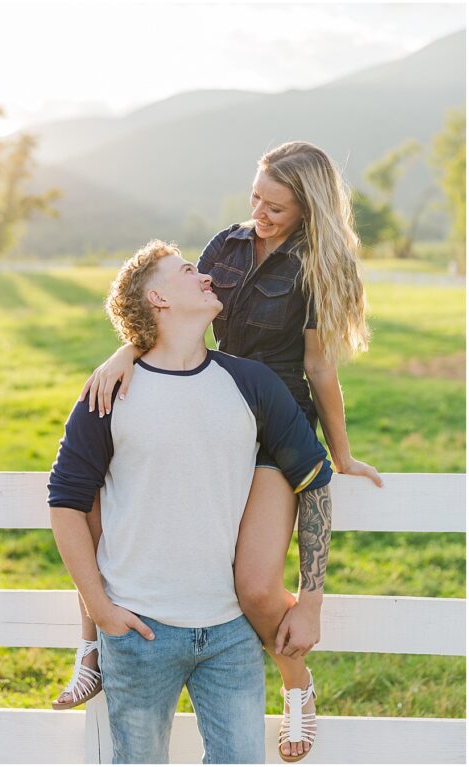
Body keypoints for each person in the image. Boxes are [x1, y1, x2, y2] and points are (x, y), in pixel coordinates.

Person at [56, 141, 381, 761]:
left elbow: (320, 368)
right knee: (101, 501)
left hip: (270, 422)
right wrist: (126, 349)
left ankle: (296, 689)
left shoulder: (315, 265)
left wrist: (338, 454)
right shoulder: (228, 245)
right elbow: (176, 301)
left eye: (276, 207)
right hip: (200, 391)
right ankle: (92, 645)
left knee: (256, 588)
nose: (259, 211)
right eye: (256, 196)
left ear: (308, 209)